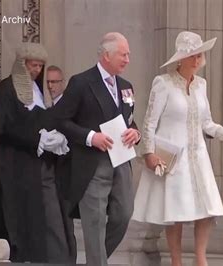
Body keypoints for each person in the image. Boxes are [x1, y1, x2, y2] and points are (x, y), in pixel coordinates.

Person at [132, 31, 223, 266]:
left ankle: (201, 259)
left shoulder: (201, 85)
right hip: (173, 157)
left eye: (200, 55)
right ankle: (176, 262)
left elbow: (206, 122)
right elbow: (149, 122)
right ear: (180, 58)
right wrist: (148, 154)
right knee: (176, 212)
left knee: (207, 210)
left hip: (198, 156)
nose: (197, 60)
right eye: (192, 55)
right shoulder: (163, 83)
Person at [53, 32, 140, 266]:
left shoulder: (126, 86)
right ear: (106, 55)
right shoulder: (81, 82)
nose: (128, 59)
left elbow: (130, 120)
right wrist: (91, 137)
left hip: (121, 160)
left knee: (123, 214)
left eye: (128, 54)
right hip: (91, 163)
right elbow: (60, 119)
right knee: (95, 222)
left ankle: (95, 260)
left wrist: (136, 132)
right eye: (123, 54)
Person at [0, 42, 69, 262]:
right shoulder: (6, 90)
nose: (36, 70)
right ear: (22, 64)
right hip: (16, 166)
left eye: (39, 66)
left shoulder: (38, 91)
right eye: (33, 65)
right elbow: (2, 127)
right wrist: (36, 139)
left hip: (39, 165)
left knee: (49, 218)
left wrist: (55, 137)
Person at [43, 65, 78, 262]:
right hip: (52, 172)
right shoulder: (49, 108)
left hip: (66, 172)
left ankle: (69, 260)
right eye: (48, 82)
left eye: (54, 82)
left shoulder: (67, 107)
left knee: (66, 221)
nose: (50, 86)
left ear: (62, 83)